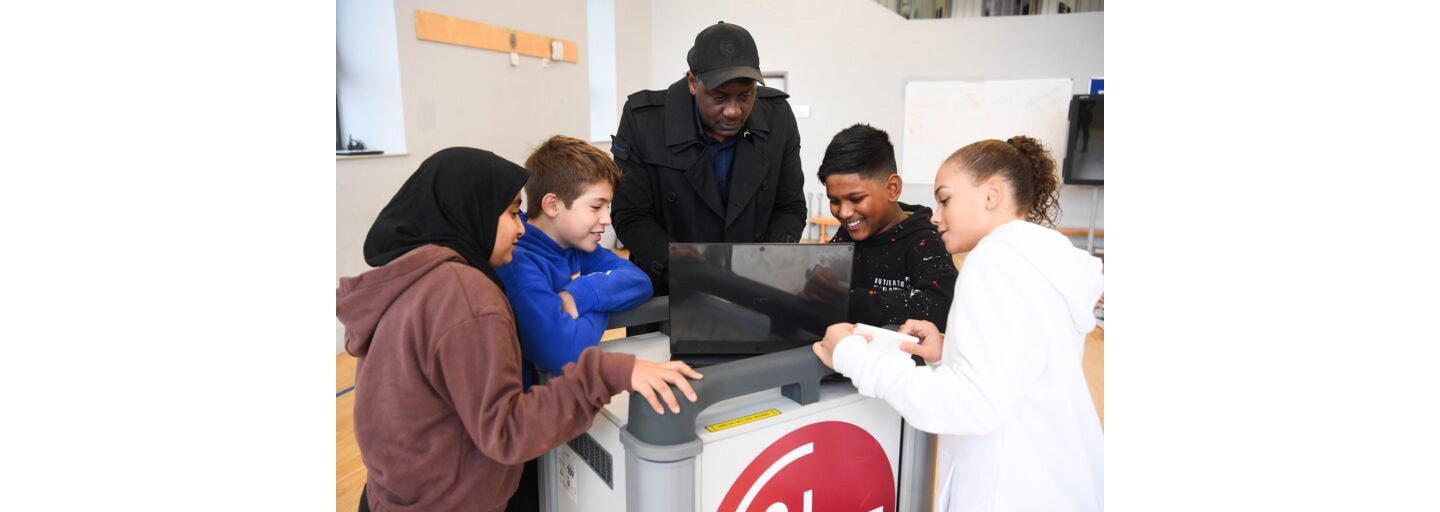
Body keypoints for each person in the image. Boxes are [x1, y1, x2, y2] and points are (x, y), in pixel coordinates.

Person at [337, 147, 702, 512]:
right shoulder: (466, 295)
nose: (521, 226)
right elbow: (509, 426)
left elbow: (635, 282)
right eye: (512, 213)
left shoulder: (421, 279)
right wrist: (615, 369)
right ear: (473, 212)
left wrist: (581, 297)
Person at [813, 136, 1104, 511]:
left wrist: (853, 356)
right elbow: (1019, 365)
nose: (934, 215)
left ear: (992, 193)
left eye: (945, 199)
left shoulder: (993, 262)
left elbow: (971, 405)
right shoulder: (1040, 259)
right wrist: (949, 349)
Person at [610, 21, 806, 299]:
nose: (733, 111)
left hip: (752, 287)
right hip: (669, 289)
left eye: (745, 96)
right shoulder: (644, 121)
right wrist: (684, 268)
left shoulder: (778, 118)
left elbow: (791, 207)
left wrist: (766, 260)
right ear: (693, 82)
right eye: (720, 97)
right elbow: (630, 216)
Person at [497, 135, 652, 385]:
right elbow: (567, 352)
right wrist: (604, 300)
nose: (607, 219)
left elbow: (640, 281)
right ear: (552, 205)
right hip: (531, 410)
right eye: (596, 207)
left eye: (608, 207)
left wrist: (580, 295)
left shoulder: (576, 246)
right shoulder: (517, 263)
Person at [815, 123, 957, 330]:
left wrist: (849, 299)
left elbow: (937, 308)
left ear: (892, 189)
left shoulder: (927, 242)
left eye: (856, 199)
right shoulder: (847, 234)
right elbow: (823, 282)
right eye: (835, 201)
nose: (844, 213)